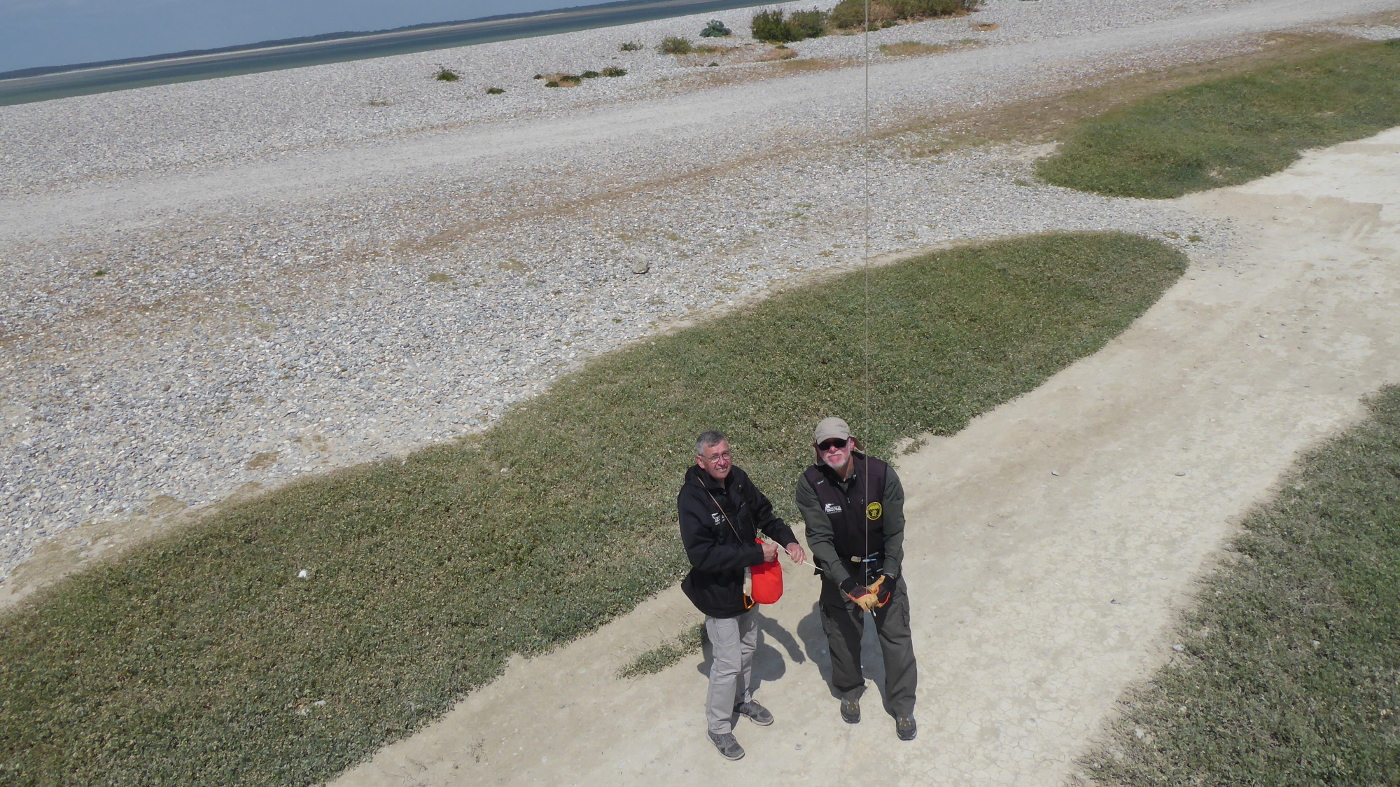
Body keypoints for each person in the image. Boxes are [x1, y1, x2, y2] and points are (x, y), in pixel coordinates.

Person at [678, 430, 806, 761]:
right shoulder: (691, 499)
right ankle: (718, 727)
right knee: (727, 660)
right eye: (714, 456)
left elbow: (765, 513)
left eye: (726, 454)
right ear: (700, 461)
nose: (722, 461)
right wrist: (754, 556)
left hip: (749, 586)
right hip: (718, 592)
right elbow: (701, 557)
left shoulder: (738, 479)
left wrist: (788, 540)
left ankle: (742, 699)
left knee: (749, 645)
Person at [796, 417, 918, 741]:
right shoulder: (810, 483)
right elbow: (819, 539)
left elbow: (895, 529)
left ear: (852, 443)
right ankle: (850, 689)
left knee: (896, 637)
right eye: (825, 445)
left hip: (880, 568)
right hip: (840, 573)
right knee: (842, 636)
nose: (833, 449)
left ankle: (903, 705)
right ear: (817, 450)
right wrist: (845, 584)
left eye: (839, 442)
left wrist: (890, 575)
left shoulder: (881, 474)